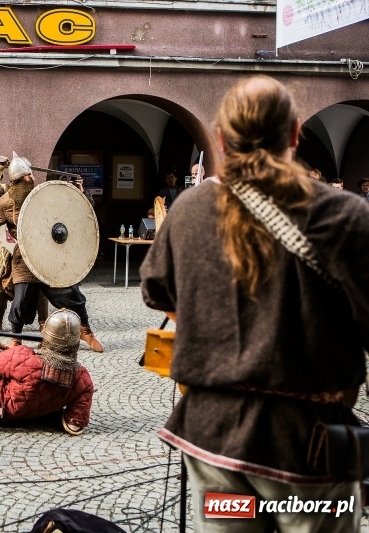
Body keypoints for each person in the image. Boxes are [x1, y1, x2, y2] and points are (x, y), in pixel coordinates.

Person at [140, 76, 369, 532]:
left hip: (215, 443)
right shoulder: (345, 216)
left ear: (222, 140)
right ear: (296, 134)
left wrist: (221, 338)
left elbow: (160, 294)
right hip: (308, 452)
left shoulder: (188, 211)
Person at [0, 153, 104, 352]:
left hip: (51, 255)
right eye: (27, 176)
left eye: (31, 175)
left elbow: (71, 209)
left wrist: (79, 191)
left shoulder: (43, 194)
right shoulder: (4, 199)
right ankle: (16, 337)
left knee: (71, 293)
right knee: (20, 300)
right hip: (23, 258)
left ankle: (85, 330)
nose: (32, 178)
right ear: (17, 180)